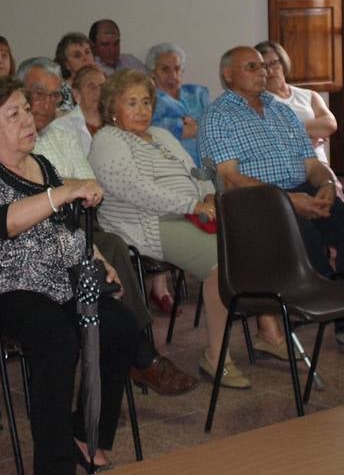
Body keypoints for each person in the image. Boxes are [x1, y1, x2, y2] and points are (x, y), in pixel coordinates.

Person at [0, 77, 140, 473]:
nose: (28, 120)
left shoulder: (41, 164)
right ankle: (54, 465)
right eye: (13, 115)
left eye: (27, 111)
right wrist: (61, 192)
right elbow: (6, 223)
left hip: (49, 280)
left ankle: (86, 435)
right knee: (56, 339)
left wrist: (97, 258)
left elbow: (65, 228)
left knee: (120, 327)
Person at [19, 57, 197, 396]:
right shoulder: (9, 140)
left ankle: (130, 354)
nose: (45, 104)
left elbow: (90, 185)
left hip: (77, 221)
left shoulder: (61, 135)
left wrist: (65, 188)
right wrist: (65, 188)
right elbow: (30, 191)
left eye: (54, 96)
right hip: (37, 234)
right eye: (38, 94)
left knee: (108, 243)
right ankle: (140, 354)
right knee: (109, 247)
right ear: (20, 95)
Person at [198, 46, 344, 350]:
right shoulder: (219, 116)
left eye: (264, 66)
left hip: (302, 191)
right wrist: (286, 201)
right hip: (255, 204)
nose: (263, 72)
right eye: (252, 67)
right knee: (303, 235)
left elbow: (311, 164)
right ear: (228, 75)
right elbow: (230, 179)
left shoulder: (281, 111)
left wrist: (326, 184)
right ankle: (317, 299)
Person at [91, 69, 247, 389]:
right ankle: (217, 357)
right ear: (111, 107)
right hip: (147, 223)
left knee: (248, 245)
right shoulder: (107, 140)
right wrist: (192, 205)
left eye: (146, 102)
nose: (142, 110)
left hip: (190, 214)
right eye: (131, 103)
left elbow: (196, 171)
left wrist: (207, 194)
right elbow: (134, 189)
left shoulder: (161, 135)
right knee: (222, 265)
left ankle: (269, 333)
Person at [255, 40, 337, 165]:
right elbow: (271, 141)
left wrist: (290, 130)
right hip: (287, 167)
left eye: (274, 63)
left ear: (283, 63)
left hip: (320, 164)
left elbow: (330, 125)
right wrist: (310, 137)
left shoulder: (309, 95)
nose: (270, 71)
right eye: (264, 67)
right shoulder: (258, 102)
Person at [147, 43, 209, 167]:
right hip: (174, 166)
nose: (173, 75)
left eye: (177, 69)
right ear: (152, 72)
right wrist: (180, 127)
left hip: (211, 164)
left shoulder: (197, 93)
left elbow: (214, 123)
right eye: (165, 69)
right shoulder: (149, 99)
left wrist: (195, 128)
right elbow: (149, 128)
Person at [50, 64, 106, 158]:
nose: (98, 91)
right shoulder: (61, 128)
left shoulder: (116, 124)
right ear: (76, 94)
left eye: (102, 86)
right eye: (91, 86)